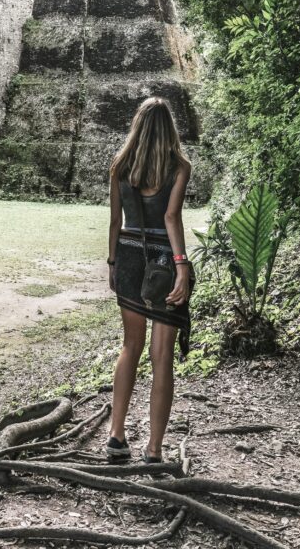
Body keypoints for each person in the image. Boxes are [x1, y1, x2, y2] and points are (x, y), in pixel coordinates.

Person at [106, 96, 193, 463]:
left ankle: (116, 435)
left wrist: (112, 263)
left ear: (138, 126)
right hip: (162, 260)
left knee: (130, 347)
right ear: (169, 128)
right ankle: (154, 450)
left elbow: (115, 221)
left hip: (127, 256)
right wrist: (182, 265)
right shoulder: (179, 167)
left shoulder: (120, 166)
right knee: (162, 358)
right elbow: (171, 218)